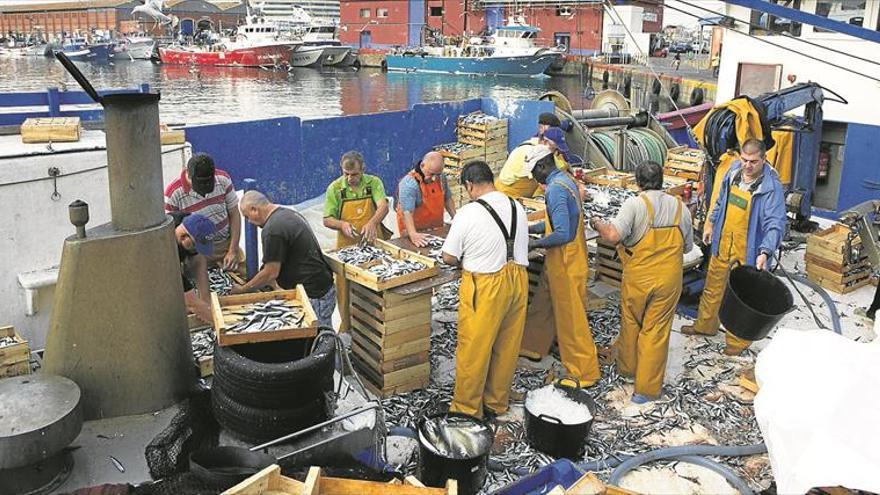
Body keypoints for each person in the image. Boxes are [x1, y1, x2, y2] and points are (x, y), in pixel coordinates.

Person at [590, 161, 694, 404]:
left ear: (637, 182)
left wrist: (596, 223)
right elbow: (688, 247)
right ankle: (645, 390)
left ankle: (627, 371)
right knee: (655, 331)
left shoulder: (634, 205)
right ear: (662, 181)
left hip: (639, 278)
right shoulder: (681, 208)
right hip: (669, 279)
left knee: (631, 322)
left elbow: (613, 235)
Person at [441, 161, 529, 420]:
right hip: (518, 280)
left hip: (486, 285)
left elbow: (448, 256)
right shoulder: (517, 206)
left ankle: (466, 411)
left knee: (474, 350)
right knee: (506, 346)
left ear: (470, 185)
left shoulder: (468, 213)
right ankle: (496, 403)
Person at [681, 139, 786, 355]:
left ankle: (736, 344)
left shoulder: (770, 187)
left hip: (748, 249)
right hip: (723, 243)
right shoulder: (733, 172)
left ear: (764, 159)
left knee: (743, 298)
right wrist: (711, 223)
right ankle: (704, 326)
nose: (748, 165)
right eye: (745, 160)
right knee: (713, 287)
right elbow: (720, 201)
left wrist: (765, 251)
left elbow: (775, 224)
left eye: (754, 162)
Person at [527, 153, 601, 387]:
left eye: (533, 171)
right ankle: (532, 347)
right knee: (544, 304)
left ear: (542, 166)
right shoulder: (565, 180)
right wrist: (530, 227)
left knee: (572, 321)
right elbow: (555, 220)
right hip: (564, 260)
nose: (532, 177)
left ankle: (584, 372)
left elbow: (562, 233)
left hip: (566, 262)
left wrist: (533, 243)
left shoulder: (555, 190)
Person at [232, 191, 337, 329]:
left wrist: (244, 290)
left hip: (313, 295)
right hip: (322, 287)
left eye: (247, 217)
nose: (249, 222)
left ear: (254, 209)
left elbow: (271, 272)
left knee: (320, 339)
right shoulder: (287, 214)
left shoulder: (272, 229)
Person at [165, 152, 242, 274]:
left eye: (209, 182)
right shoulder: (173, 194)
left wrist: (233, 250)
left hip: (225, 246)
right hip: (195, 252)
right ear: (189, 176)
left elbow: (234, 214)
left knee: (247, 281)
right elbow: (171, 235)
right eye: (201, 183)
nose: (206, 187)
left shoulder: (223, 179)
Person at [323, 151, 390, 249]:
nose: (349, 178)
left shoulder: (374, 183)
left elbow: (383, 207)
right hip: (347, 247)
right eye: (346, 174)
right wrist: (342, 225)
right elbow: (327, 220)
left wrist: (373, 223)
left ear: (363, 169)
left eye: (354, 174)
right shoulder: (334, 188)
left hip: (374, 242)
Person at [396, 151, 456, 247]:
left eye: (437, 174)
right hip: (414, 230)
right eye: (431, 174)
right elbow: (407, 212)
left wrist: (456, 218)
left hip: (435, 228)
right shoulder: (409, 184)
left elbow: (447, 198)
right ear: (422, 165)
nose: (433, 178)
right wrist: (413, 234)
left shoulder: (440, 177)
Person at [495, 112, 561, 198]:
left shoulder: (543, 150)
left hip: (524, 196)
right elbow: (544, 178)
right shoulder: (528, 152)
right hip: (506, 195)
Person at [171, 212, 215, 324]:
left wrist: (206, 299)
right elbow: (191, 302)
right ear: (183, 237)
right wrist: (218, 322)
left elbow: (199, 261)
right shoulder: (166, 252)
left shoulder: (187, 220)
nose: (196, 251)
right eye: (195, 247)